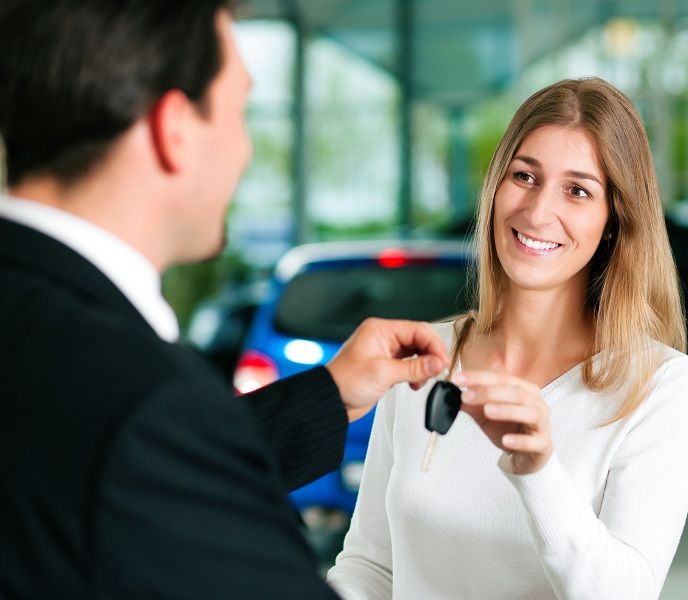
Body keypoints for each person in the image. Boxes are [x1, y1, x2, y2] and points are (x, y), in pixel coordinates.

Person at [0, 1, 448, 598]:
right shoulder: (144, 400)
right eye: (239, 113)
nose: (245, 150)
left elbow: (106, 461)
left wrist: (329, 394)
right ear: (174, 130)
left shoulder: (49, 337)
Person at [327, 78, 688, 599]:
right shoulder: (423, 359)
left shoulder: (661, 386)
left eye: (578, 190)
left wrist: (539, 472)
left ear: (613, 219)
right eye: (525, 176)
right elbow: (371, 566)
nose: (537, 211)